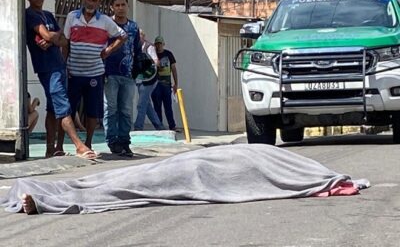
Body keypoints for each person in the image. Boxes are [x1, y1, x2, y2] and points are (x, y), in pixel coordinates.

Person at [0, 144, 368, 215]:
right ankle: (47, 194)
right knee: (124, 181)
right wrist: (327, 182)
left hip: (198, 170)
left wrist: (325, 182)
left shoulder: (288, 163)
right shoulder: (289, 164)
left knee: (124, 185)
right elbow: (284, 178)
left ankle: (47, 197)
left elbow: (280, 178)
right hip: (196, 165)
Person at [25, 0, 95, 159]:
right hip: (47, 68)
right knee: (63, 105)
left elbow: (64, 40)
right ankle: (79, 146)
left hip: (59, 65)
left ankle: (51, 148)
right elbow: (50, 36)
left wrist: (53, 39)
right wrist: (52, 38)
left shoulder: (48, 15)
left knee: (51, 108)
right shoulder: (30, 15)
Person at [62, 0, 127, 151]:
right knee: (67, 109)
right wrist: (64, 66)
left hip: (95, 73)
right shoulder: (72, 17)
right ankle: (59, 146)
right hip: (73, 72)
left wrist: (108, 50)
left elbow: (122, 35)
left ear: (99, 2)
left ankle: (88, 144)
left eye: (95, 0)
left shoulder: (104, 20)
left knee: (92, 111)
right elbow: (65, 42)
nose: (91, 2)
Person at [102, 0, 141, 155]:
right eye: (117, 5)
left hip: (128, 75)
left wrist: (137, 71)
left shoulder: (133, 27)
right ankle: (112, 142)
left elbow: (138, 50)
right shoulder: (106, 25)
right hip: (109, 74)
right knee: (110, 109)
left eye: (123, 5)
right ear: (112, 7)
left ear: (127, 6)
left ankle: (124, 141)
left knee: (126, 110)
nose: (120, 8)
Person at [134, 29, 165, 131]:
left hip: (149, 80)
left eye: (139, 36)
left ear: (143, 36)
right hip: (139, 79)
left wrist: (148, 67)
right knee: (146, 104)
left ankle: (138, 127)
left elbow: (156, 62)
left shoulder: (149, 47)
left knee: (141, 104)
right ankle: (159, 126)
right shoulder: (135, 47)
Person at [151, 36, 178, 131]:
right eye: (157, 44)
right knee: (157, 106)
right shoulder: (152, 55)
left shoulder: (168, 54)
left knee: (168, 106)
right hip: (155, 85)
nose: (158, 46)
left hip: (166, 84)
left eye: (160, 44)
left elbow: (174, 69)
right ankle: (159, 126)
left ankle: (172, 126)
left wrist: (176, 83)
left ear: (163, 44)